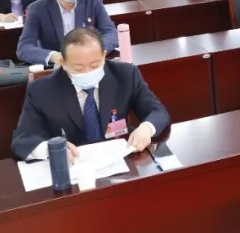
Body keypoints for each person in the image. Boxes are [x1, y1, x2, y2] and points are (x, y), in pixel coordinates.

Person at [10, 27, 169, 161]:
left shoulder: (125, 75)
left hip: (120, 158)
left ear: (104, 56)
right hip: (73, 165)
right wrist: (50, 149)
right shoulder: (42, 90)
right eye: (78, 68)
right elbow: (22, 140)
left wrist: (147, 128)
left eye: (94, 65)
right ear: (63, 63)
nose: (87, 72)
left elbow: (158, 111)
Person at [17, 0, 118, 66]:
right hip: (59, 67)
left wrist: (96, 49)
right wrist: (53, 56)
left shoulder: (93, 1)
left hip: (90, 62)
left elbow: (111, 33)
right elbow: (24, 47)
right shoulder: (37, 9)